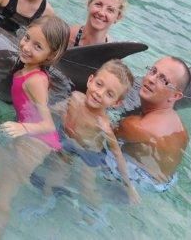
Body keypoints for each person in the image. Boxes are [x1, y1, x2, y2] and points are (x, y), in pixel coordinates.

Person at [0, 16, 70, 240]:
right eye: (27, 38)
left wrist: (24, 129)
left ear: (52, 55)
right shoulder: (26, 69)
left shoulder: (35, 80)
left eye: (37, 46)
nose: (26, 47)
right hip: (30, 137)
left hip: (37, 141)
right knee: (0, 163)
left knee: (5, 196)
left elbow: (47, 124)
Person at [35, 59, 140, 216]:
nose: (100, 93)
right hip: (67, 142)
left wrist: (129, 187)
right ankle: (46, 201)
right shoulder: (75, 97)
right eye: (99, 84)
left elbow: (117, 155)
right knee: (56, 173)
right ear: (90, 80)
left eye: (109, 94)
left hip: (90, 154)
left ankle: (96, 213)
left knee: (87, 187)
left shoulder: (103, 125)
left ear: (117, 103)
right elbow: (53, 111)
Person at [110, 56, 190, 192]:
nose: (151, 79)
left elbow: (100, 134)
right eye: (153, 71)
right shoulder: (181, 129)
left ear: (175, 96)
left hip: (133, 181)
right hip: (165, 184)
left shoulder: (136, 126)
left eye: (163, 80)